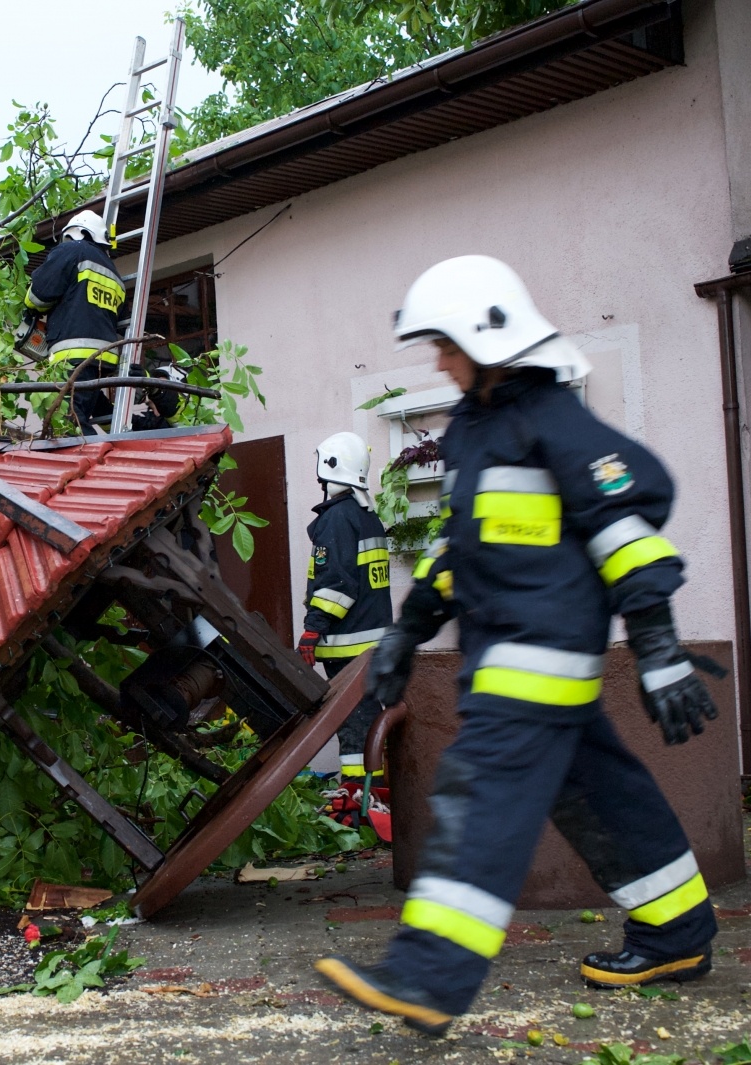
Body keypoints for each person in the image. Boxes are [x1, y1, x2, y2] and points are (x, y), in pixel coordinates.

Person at [315, 256, 721, 1037]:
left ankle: (428, 977)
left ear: (487, 337)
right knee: (603, 791)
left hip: (538, 655)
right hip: (514, 655)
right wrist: (407, 629)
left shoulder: (554, 422)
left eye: (446, 344)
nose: (439, 361)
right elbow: (459, 548)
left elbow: (624, 531)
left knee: (482, 797)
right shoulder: (474, 429)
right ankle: (676, 930)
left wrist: (658, 645)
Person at [298, 432, 394, 779]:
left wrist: (312, 630)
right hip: (373, 645)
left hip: (348, 648)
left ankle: (360, 796)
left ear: (330, 467)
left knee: (354, 724)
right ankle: (373, 791)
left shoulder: (337, 519)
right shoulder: (367, 515)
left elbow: (336, 583)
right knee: (368, 718)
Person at [23, 210, 128, 433]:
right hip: (104, 360)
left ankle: (95, 453)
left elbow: (37, 297)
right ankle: (113, 439)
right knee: (88, 408)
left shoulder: (72, 251)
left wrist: (29, 306)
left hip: (73, 357)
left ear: (76, 233)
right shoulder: (115, 274)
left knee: (68, 424)